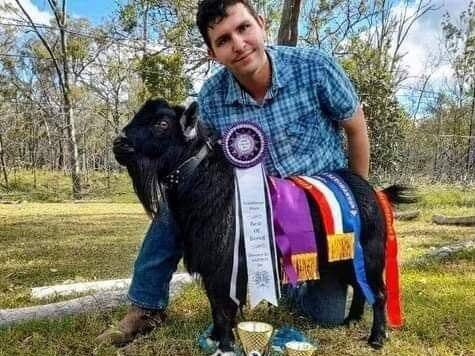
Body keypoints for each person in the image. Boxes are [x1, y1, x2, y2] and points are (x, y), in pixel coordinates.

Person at [97, 0, 369, 346]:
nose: (238, 44)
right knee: (173, 204)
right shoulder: (210, 97)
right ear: (212, 53)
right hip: (255, 209)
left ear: (261, 24)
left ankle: (289, 282)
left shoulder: (315, 67)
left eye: (244, 28)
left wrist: (355, 207)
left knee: (326, 315)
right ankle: (145, 307)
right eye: (223, 40)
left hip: (317, 211)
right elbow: (197, 161)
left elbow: (356, 130)